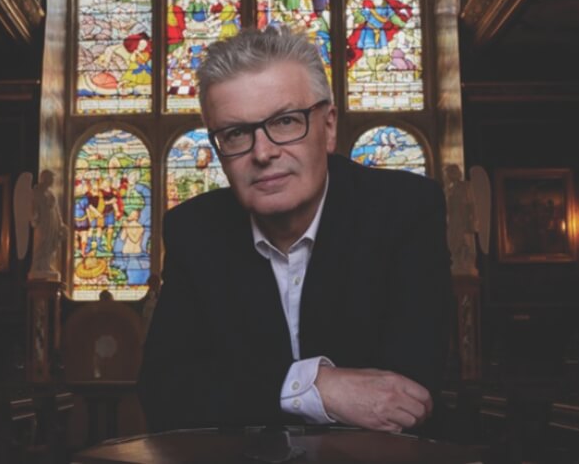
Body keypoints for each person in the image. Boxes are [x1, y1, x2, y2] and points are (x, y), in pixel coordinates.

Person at [138, 27, 451, 433]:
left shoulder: (406, 209)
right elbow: (165, 393)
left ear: (330, 126)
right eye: (236, 133)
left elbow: (408, 397)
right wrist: (315, 387)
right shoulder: (194, 230)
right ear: (218, 148)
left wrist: (253, 389)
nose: (263, 152)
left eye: (285, 121)